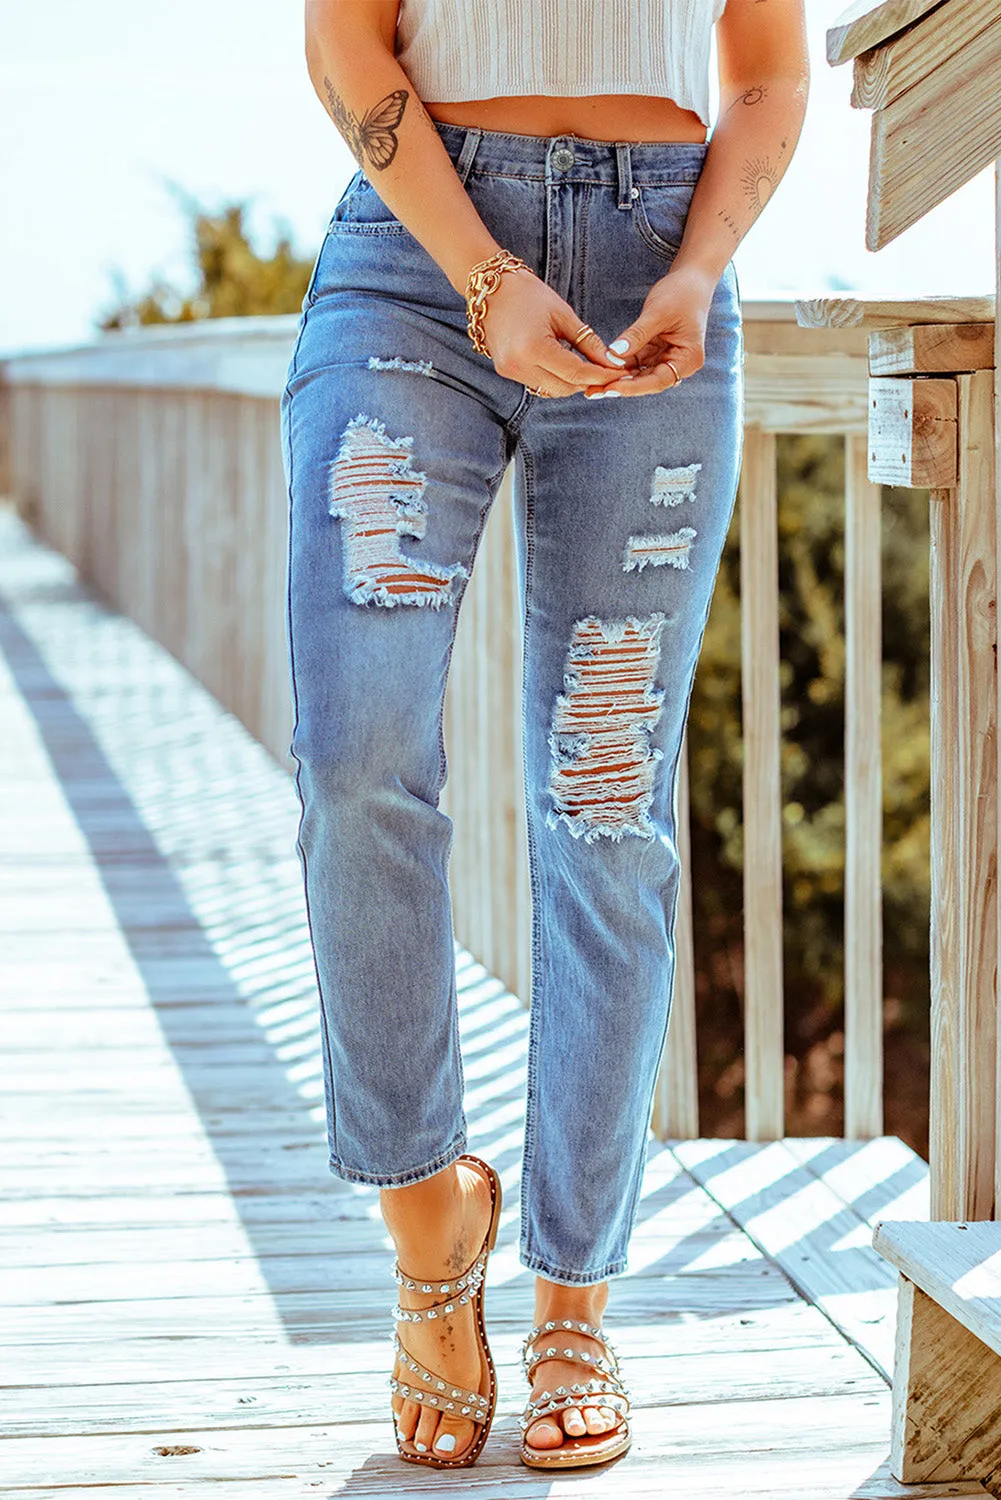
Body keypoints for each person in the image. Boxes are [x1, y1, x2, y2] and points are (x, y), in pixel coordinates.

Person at [282, 0, 809, 1472]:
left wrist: (702, 267)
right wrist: (483, 272)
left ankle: (574, 1291)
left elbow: (766, 76)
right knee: (354, 751)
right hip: (416, 262)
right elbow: (344, 44)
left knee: (602, 791)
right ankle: (424, 1218)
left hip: (660, 264)